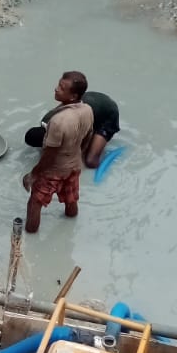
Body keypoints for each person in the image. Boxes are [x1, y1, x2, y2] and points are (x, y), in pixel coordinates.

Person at [22, 71, 93, 234]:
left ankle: (30, 236)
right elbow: (89, 134)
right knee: (71, 197)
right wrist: (78, 154)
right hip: (74, 165)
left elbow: (50, 154)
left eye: (61, 88)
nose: (56, 89)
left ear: (73, 95)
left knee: (35, 201)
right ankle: (70, 223)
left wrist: (34, 174)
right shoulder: (87, 109)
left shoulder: (58, 121)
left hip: (55, 170)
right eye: (58, 84)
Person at [25, 88, 120, 170]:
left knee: (90, 161)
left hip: (108, 111)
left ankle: (108, 158)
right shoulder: (46, 120)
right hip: (90, 99)